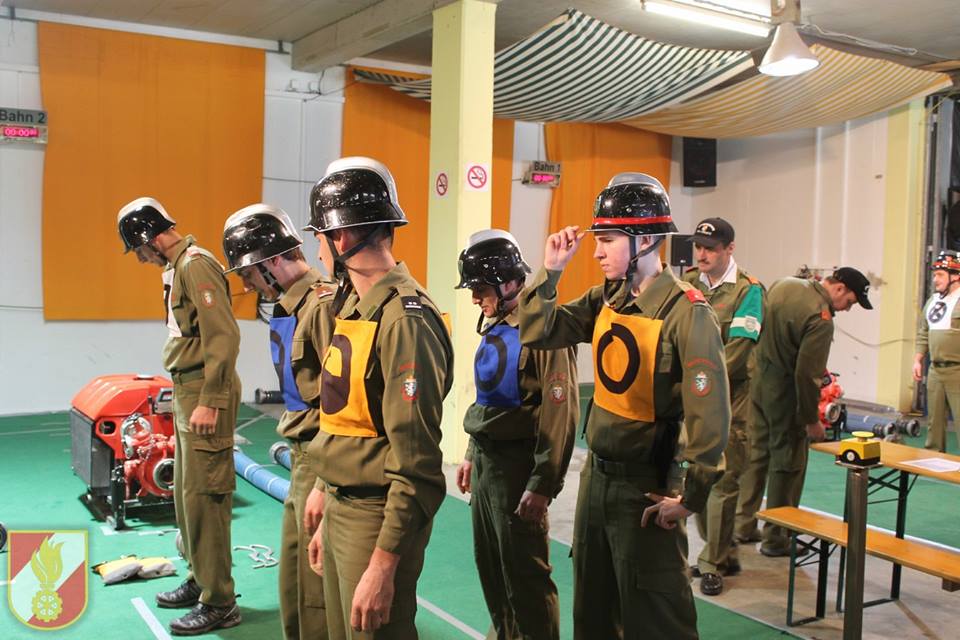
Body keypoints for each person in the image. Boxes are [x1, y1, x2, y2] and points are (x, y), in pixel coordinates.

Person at [517, 173, 730, 640]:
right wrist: (550, 272)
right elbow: (537, 330)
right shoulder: (607, 297)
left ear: (646, 240)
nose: (596, 251)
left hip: (646, 487)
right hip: (596, 480)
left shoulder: (686, 312)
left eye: (608, 240)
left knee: (656, 619)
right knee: (593, 612)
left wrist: (690, 499)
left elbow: (710, 416)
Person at [302, 157, 454, 639]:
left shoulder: (405, 320)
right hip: (344, 505)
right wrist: (326, 491)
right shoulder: (356, 307)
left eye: (320, 237)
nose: (318, 250)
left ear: (342, 237)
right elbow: (347, 416)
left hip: (376, 515)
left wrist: (384, 563)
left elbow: (417, 461)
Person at [117, 197, 241, 635]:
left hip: (206, 389)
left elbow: (223, 336)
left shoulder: (195, 265)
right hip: (190, 388)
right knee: (187, 496)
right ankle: (201, 577)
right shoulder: (179, 267)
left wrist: (211, 399)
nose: (140, 258)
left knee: (206, 498)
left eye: (138, 249)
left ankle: (220, 600)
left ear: (150, 238)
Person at [454, 229, 579, 640]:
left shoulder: (543, 326)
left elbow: (560, 415)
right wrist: (471, 451)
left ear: (508, 282)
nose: (475, 298)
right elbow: (489, 395)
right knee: (492, 569)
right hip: (487, 464)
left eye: (480, 288)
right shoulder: (496, 323)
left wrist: (543, 483)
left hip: (518, 468)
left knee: (526, 579)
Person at [222, 204, 335, 639]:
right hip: (301, 456)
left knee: (314, 593)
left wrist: (324, 482)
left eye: (248, 273)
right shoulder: (291, 306)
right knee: (293, 585)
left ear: (270, 263)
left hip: (321, 460)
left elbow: (341, 405)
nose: (247, 284)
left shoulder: (322, 307)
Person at [743, 267, 872, 556]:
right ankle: (776, 538)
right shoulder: (821, 319)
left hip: (758, 384)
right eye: (850, 302)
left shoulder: (783, 284)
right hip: (785, 396)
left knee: (756, 456)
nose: (847, 309)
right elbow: (807, 374)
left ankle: (743, 525)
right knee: (787, 464)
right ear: (839, 288)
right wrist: (811, 420)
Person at [682, 218, 764, 596]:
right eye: (698, 247)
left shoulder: (749, 291)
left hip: (731, 398)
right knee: (698, 474)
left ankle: (712, 563)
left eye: (710, 249)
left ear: (730, 249)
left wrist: (702, 383)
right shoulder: (688, 283)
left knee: (724, 481)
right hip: (694, 396)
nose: (702, 254)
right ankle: (723, 551)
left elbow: (740, 347)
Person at [914, 249, 960, 452]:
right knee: (934, 421)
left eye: (940, 275)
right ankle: (933, 457)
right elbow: (924, 331)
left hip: (957, 370)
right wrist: (918, 359)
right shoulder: (933, 301)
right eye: (934, 275)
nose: (935, 280)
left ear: (955, 275)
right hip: (935, 369)